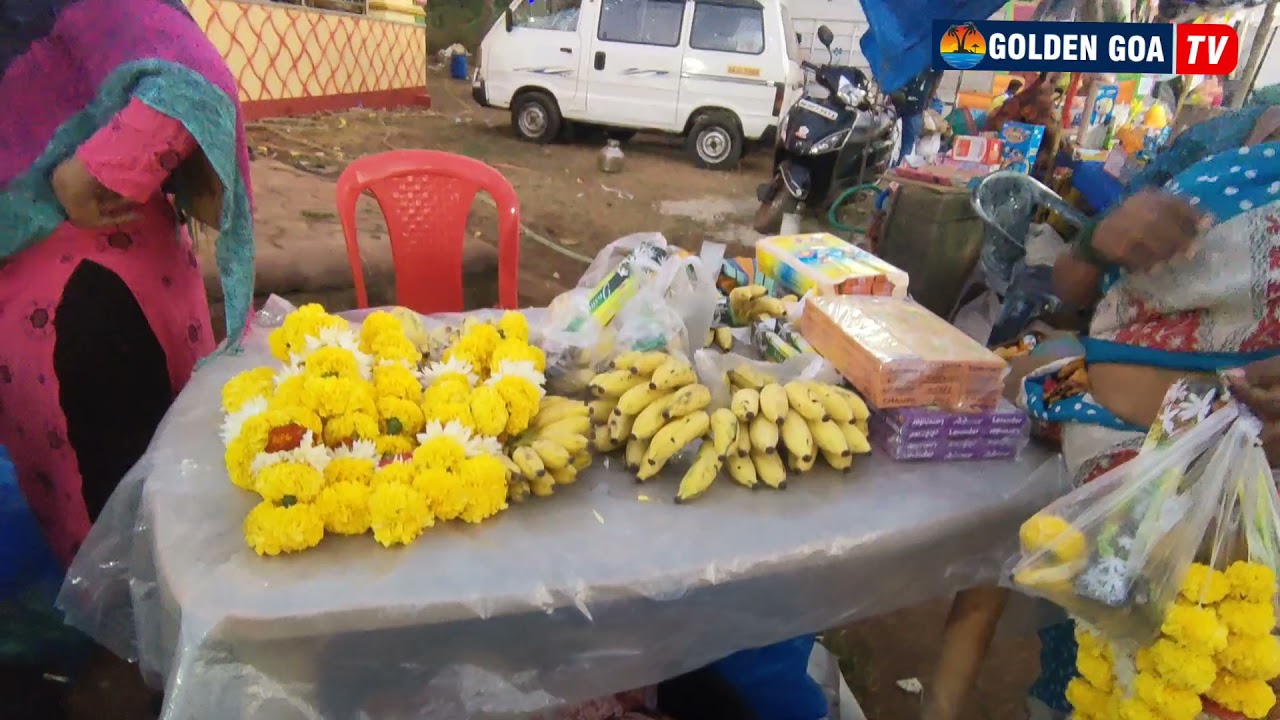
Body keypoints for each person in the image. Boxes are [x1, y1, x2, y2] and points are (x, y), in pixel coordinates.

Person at [0, 0, 255, 714]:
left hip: (89, 317)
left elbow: (189, 81)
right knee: (142, 540)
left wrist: (97, 167)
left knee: (149, 542)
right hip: (57, 325)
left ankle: (169, 682)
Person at [1010, 85, 1280, 719]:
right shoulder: (1221, 135)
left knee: (1215, 674)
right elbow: (1072, 285)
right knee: (1097, 674)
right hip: (1117, 466)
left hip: (1251, 495)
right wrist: (1105, 235)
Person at [892, 68, 943, 165]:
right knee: (893, 140)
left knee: (908, 146)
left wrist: (930, 97)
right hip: (898, 101)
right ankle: (895, 165)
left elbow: (938, 77)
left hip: (916, 105)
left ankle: (900, 168)